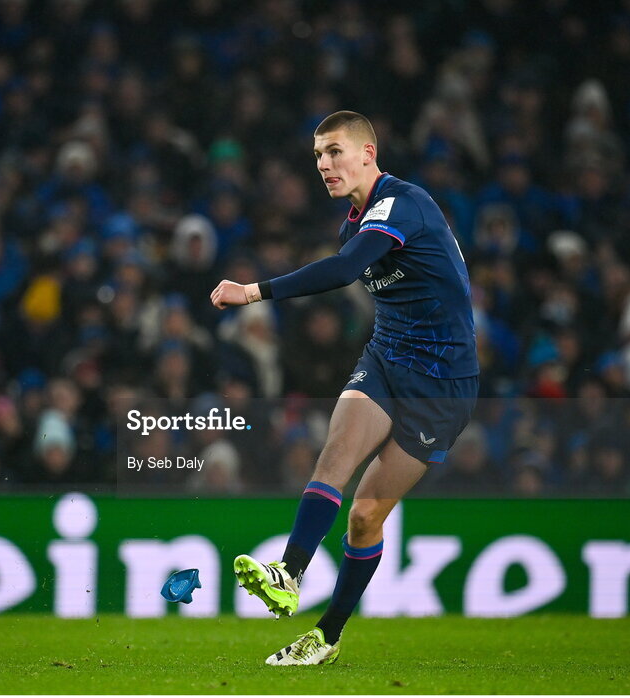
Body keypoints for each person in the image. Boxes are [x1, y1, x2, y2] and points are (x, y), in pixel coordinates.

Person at [210, 111, 479, 666]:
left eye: (334, 152)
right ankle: (288, 571)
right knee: (334, 454)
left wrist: (253, 291)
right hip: (387, 359)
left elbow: (343, 270)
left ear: (367, 153)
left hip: (443, 384)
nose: (324, 165)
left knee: (364, 517)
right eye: (317, 156)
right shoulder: (354, 222)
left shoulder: (402, 203)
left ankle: (328, 634)